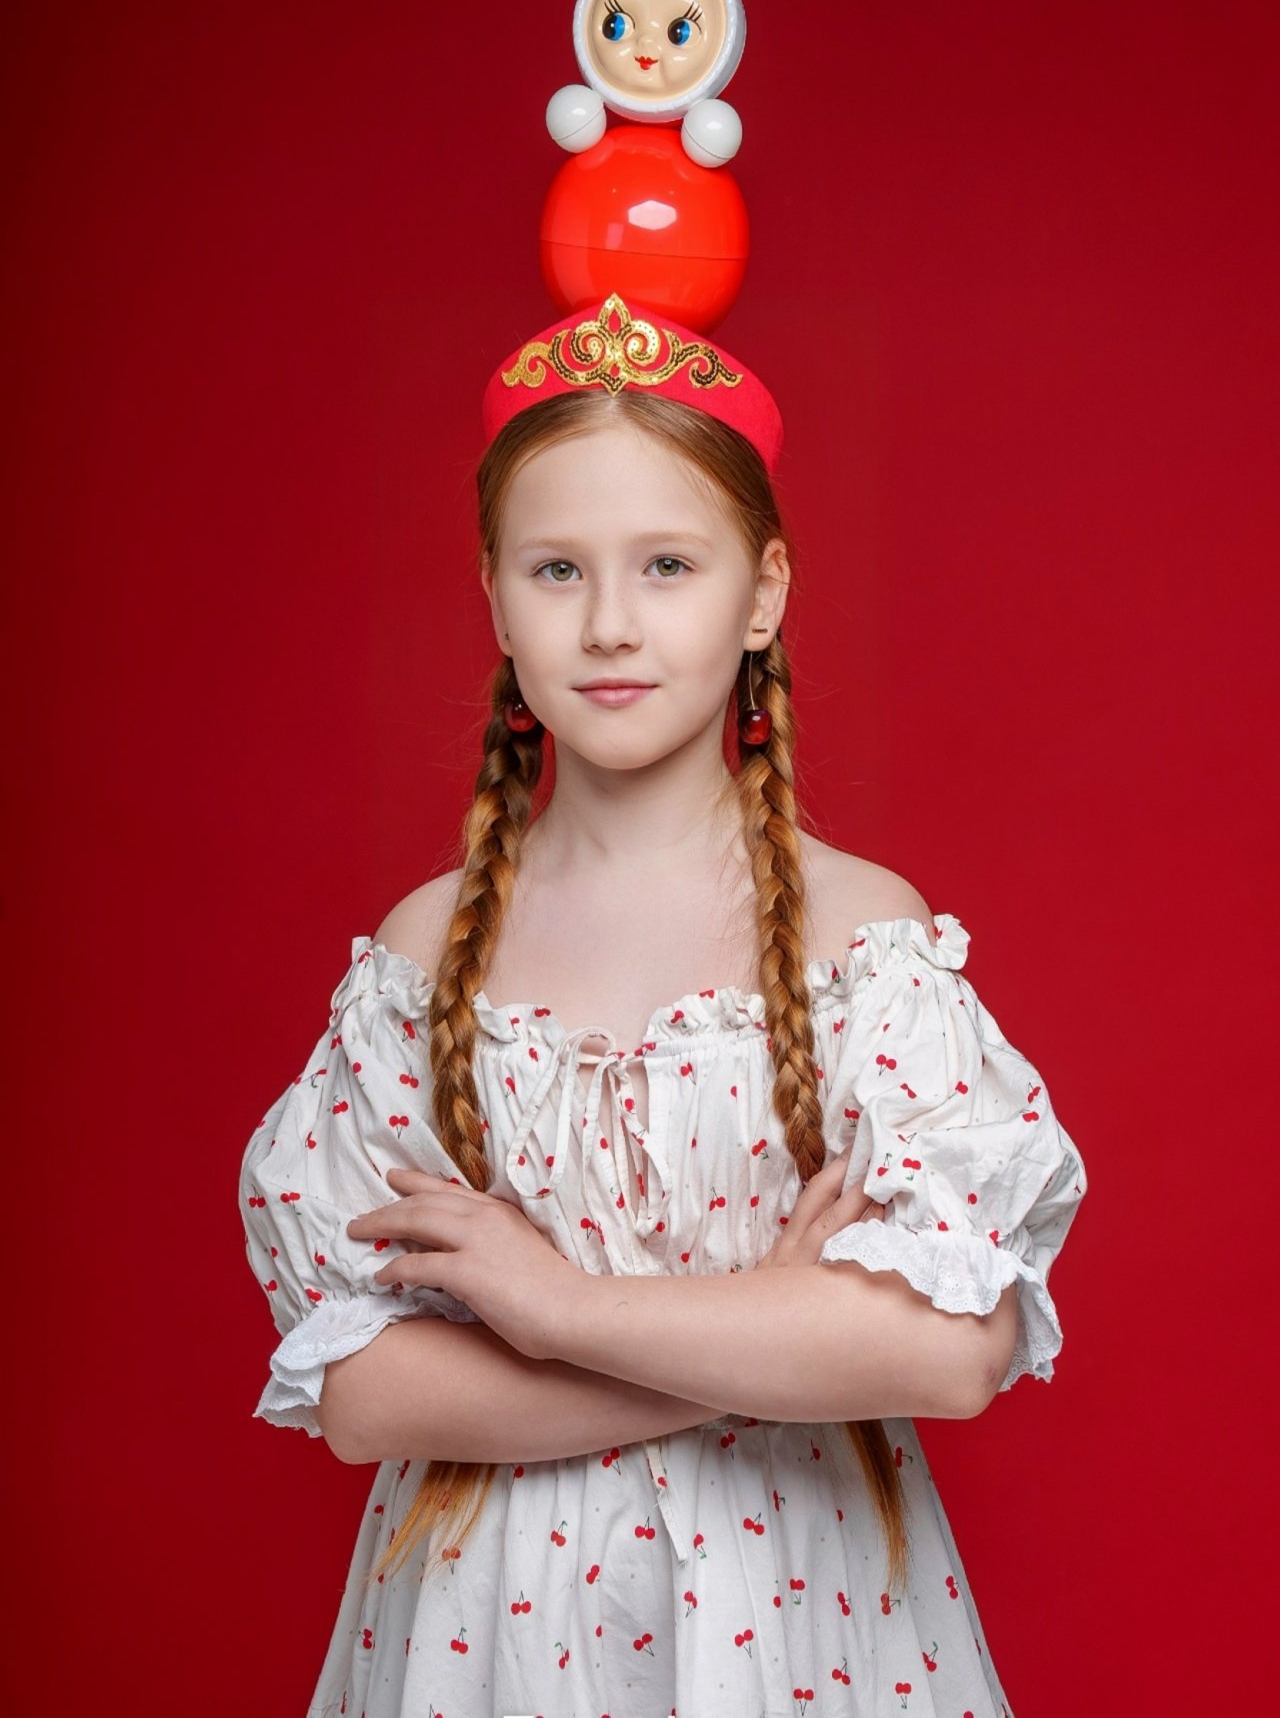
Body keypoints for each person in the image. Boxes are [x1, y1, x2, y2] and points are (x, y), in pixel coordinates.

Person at [239, 293, 1088, 1718]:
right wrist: (769, 1336)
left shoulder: (859, 940)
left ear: (762, 594)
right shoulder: (425, 956)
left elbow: (952, 1353)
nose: (610, 624)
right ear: (494, 596)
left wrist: (556, 1306)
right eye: (557, 569)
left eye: (669, 565)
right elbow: (364, 1398)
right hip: (486, 1633)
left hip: (801, 1622)